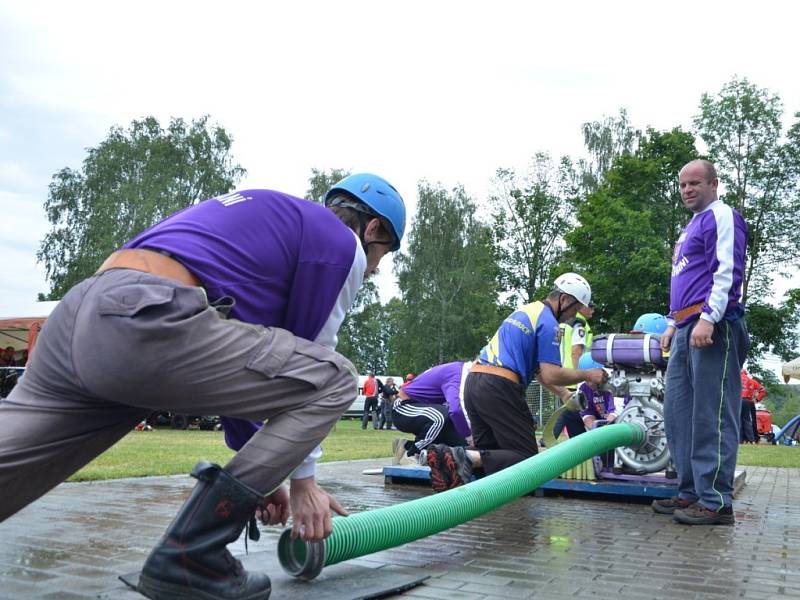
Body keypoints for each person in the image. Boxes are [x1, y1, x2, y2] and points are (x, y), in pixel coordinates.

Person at [0, 173, 406, 600]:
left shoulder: (270, 227)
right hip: (147, 319)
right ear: (373, 229)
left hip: (80, 314)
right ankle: (192, 554)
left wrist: (264, 479)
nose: (376, 268)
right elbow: (311, 360)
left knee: (13, 457)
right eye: (383, 254)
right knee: (336, 378)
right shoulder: (341, 245)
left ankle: (196, 547)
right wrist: (303, 483)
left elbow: (250, 375)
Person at [425, 273, 609, 492]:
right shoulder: (550, 324)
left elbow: (539, 372)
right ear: (565, 300)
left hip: (474, 383)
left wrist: (564, 394)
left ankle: (457, 471)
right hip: (499, 387)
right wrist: (588, 375)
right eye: (574, 310)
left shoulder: (527, 311)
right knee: (527, 459)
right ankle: (460, 456)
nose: (572, 317)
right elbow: (551, 374)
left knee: (491, 456)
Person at [653, 159, 749, 526]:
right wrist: (671, 322)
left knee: (712, 413)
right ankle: (691, 491)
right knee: (679, 414)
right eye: (682, 185)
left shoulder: (721, 216)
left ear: (714, 184)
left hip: (713, 326)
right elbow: (686, 278)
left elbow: (727, 269)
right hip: (684, 327)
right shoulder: (689, 227)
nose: (687, 190)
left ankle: (717, 501)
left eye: (695, 183)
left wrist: (709, 317)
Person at [392, 361, 472, 464]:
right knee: (440, 417)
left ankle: (405, 445)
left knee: (462, 444)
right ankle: (410, 454)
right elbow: (456, 409)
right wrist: (470, 437)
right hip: (403, 407)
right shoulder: (458, 373)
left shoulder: (465, 373)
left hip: (424, 410)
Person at [552, 302, 595, 439]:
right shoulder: (578, 324)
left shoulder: (562, 323)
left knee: (568, 413)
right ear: (581, 307)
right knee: (575, 414)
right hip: (573, 376)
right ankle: (551, 436)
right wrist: (581, 376)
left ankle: (552, 437)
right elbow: (576, 352)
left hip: (561, 373)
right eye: (591, 306)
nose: (593, 310)